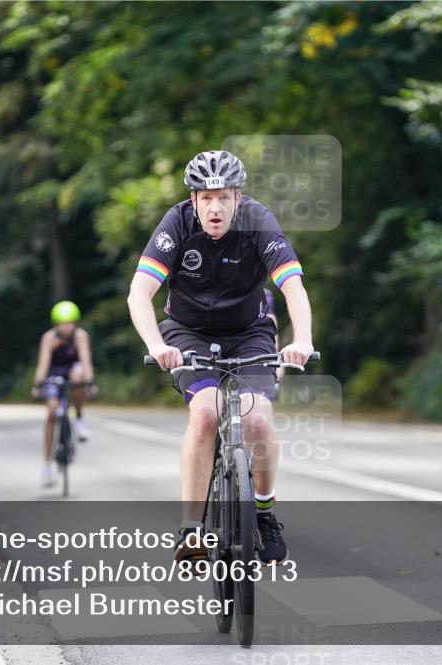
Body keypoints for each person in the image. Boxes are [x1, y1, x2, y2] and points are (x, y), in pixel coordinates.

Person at [127, 150, 314, 564]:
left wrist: (302, 339)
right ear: (193, 200)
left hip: (249, 333)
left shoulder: (258, 221)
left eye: (224, 198)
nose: (215, 208)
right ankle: (192, 530)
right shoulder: (176, 224)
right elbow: (139, 292)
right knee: (206, 414)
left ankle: (263, 513)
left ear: (237, 198)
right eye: (207, 198)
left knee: (258, 420)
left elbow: (293, 286)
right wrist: (156, 345)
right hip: (188, 333)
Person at [31, 300, 95, 487]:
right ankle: (46, 466)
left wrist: (90, 382)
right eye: (62, 324)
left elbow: (86, 361)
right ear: (56, 324)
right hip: (53, 374)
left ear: (76, 323)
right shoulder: (49, 338)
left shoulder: (80, 336)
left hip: (72, 372)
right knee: (52, 412)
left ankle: (79, 419)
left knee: (78, 374)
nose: (67, 327)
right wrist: (37, 384)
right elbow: (43, 363)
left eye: (70, 323)